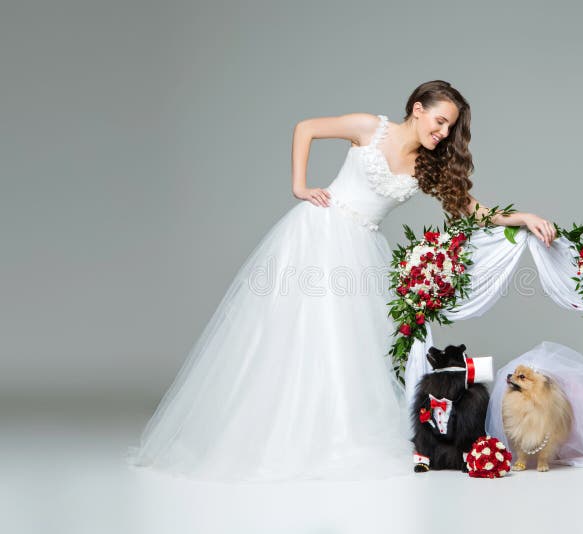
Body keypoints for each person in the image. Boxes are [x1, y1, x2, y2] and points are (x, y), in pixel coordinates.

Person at [126, 80, 557, 483]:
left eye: (450, 127)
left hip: (360, 253)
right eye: (439, 121)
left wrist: (519, 217)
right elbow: (306, 127)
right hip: (317, 236)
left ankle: (332, 436)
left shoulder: (428, 164)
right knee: (289, 335)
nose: (443, 133)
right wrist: (300, 185)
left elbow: (469, 206)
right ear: (417, 108)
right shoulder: (370, 128)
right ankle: (271, 436)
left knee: (342, 346)